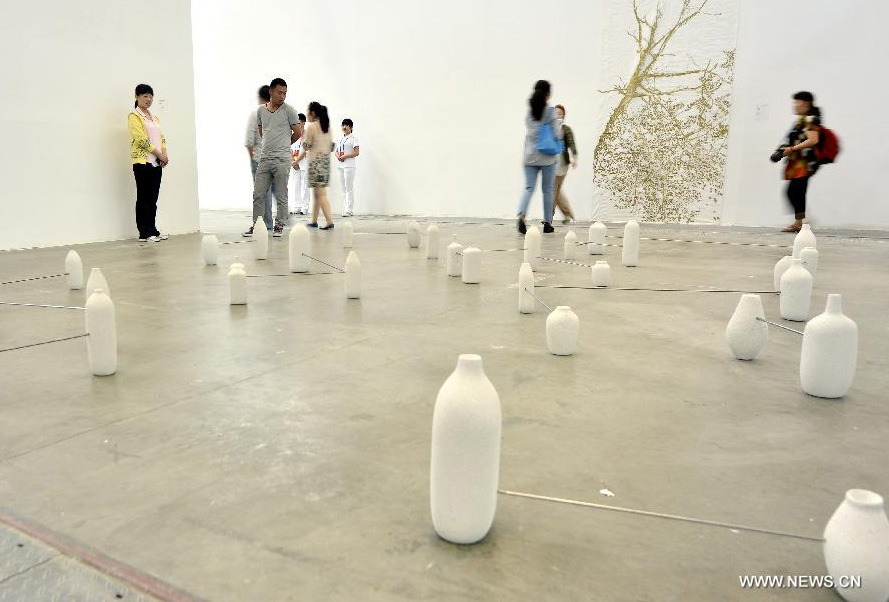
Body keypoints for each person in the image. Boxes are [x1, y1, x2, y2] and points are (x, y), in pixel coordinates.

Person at [244, 77, 302, 237]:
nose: (282, 96)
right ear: (271, 91)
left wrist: (284, 144)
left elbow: (298, 133)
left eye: (285, 93)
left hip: (282, 160)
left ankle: (279, 225)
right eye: (279, 92)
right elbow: (262, 131)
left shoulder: (289, 111)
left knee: (281, 194)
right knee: (258, 194)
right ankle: (257, 225)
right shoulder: (261, 111)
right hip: (265, 159)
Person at [516, 80, 563, 234]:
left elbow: (530, 131)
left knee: (529, 188)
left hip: (529, 156)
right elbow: (557, 133)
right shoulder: (550, 111)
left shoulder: (530, 111)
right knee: (548, 189)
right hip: (547, 157)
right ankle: (547, 223)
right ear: (548, 94)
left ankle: (521, 216)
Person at [128, 83, 169, 242]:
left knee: (153, 198)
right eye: (145, 96)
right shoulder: (134, 116)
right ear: (137, 97)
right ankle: (144, 233)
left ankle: (153, 230)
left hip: (156, 162)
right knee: (144, 198)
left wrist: (164, 153)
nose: (148, 99)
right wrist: (159, 153)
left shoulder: (154, 117)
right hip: (142, 162)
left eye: (151, 96)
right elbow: (141, 140)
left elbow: (162, 137)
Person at [778, 91, 822, 233]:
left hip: (804, 163)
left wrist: (792, 148)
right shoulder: (802, 120)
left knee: (794, 191)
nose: (794, 105)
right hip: (798, 162)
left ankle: (802, 222)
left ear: (806, 104)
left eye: (797, 102)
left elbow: (813, 140)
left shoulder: (809, 119)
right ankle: (799, 222)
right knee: (795, 192)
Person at [245, 85, 276, 230]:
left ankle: (258, 226)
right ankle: (268, 224)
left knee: (259, 194)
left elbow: (249, 140)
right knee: (268, 193)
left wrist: (252, 156)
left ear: (259, 97)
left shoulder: (256, 114)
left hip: (259, 159)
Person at [304, 101, 335, 230]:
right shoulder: (327, 127)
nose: (306, 114)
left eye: (308, 112)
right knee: (317, 194)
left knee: (320, 194)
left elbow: (307, 145)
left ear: (313, 113)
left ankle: (329, 221)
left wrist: (303, 142)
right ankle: (314, 220)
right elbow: (332, 146)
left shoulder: (311, 127)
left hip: (315, 163)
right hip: (325, 163)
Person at [553, 104, 578, 224]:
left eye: (560, 114)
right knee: (555, 190)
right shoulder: (548, 129)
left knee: (554, 190)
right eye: (555, 113)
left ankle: (549, 218)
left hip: (562, 165)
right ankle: (568, 215)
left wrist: (574, 157)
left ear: (563, 116)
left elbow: (572, 144)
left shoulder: (566, 129)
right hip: (550, 164)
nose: (558, 115)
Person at [335, 118, 360, 217]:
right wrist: (338, 156)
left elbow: (356, 152)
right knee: (343, 188)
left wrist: (345, 156)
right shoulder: (340, 139)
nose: (344, 127)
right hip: (340, 165)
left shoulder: (353, 139)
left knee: (349, 187)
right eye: (343, 125)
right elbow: (336, 151)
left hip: (349, 165)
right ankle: (345, 208)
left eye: (346, 125)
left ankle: (349, 210)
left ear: (351, 127)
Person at [289, 113, 310, 215]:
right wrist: (293, 161)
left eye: (298, 122)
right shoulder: (293, 135)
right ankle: (297, 206)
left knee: (305, 186)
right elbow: (288, 149)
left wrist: (296, 161)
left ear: (303, 123)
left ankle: (304, 208)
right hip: (294, 165)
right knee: (296, 185)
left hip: (305, 164)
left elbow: (305, 150)